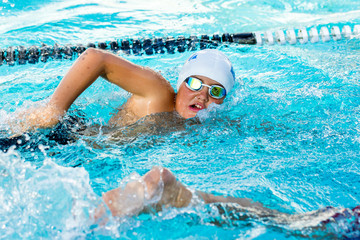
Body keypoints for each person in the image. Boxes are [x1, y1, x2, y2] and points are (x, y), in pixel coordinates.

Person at [12, 48, 235, 135]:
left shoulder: (202, 126)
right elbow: (95, 57)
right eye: (194, 83)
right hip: (60, 134)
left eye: (216, 91)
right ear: (180, 83)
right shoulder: (157, 91)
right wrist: (53, 111)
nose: (202, 96)